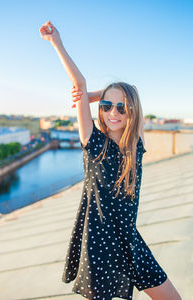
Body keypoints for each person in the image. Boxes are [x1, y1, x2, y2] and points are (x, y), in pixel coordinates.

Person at [39, 20, 182, 300]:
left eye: (121, 107)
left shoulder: (135, 143)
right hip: (99, 244)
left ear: (132, 112)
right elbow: (78, 84)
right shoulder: (93, 142)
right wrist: (56, 42)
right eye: (106, 106)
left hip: (130, 241)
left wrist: (100, 96)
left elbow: (134, 97)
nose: (113, 113)